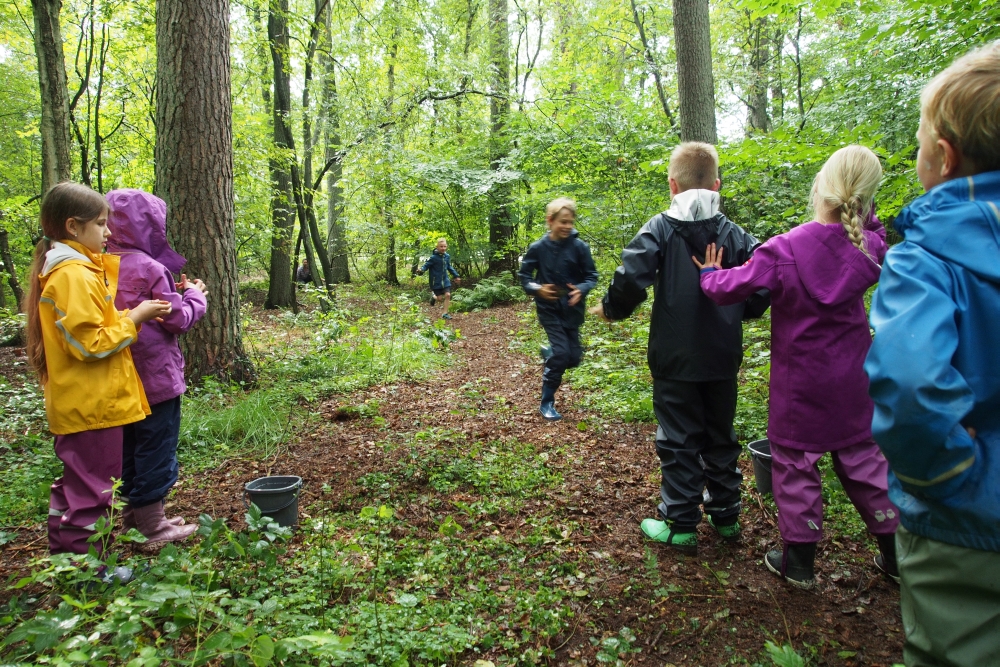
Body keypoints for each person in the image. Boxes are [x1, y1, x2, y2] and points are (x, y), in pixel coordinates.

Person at [694, 145, 899, 588]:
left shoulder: (786, 248)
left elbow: (732, 287)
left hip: (799, 383)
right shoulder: (868, 247)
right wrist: (867, 214)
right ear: (864, 199)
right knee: (864, 460)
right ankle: (897, 555)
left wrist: (710, 275)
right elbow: (876, 231)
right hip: (852, 379)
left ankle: (800, 563)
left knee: (794, 466)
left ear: (822, 186)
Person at [864, 42, 1000, 667]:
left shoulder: (927, 256)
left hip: (969, 520)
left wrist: (941, 474)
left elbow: (912, 382)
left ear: (941, 157)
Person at [591, 142, 766, 553]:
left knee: (678, 438)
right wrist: (742, 308)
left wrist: (613, 309)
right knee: (720, 435)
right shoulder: (735, 235)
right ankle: (726, 515)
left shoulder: (661, 228)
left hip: (675, 357)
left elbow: (631, 275)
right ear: (717, 184)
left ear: (673, 185)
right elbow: (763, 282)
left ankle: (680, 521)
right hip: (722, 356)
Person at [23, 182, 171, 556]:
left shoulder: (77, 269)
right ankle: (90, 570)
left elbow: (88, 326)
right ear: (73, 226)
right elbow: (91, 343)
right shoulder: (73, 274)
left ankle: (67, 560)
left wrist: (126, 316)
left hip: (85, 403)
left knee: (76, 487)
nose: (109, 233)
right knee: (95, 491)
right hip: (92, 406)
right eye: (102, 224)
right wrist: (137, 316)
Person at [106, 189, 208, 546]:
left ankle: (134, 520)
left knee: (130, 448)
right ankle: (154, 526)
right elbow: (176, 319)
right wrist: (195, 295)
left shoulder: (99, 264)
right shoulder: (151, 268)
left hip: (119, 378)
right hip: (156, 377)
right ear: (149, 225)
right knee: (156, 447)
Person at [520, 198, 598, 421]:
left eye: (570, 222)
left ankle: (549, 353)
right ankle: (547, 402)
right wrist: (537, 289)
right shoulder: (538, 248)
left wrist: (581, 289)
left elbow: (591, 275)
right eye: (562, 222)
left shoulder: (580, 247)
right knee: (562, 354)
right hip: (549, 309)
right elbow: (524, 277)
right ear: (550, 221)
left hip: (573, 309)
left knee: (573, 358)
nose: (567, 226)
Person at [416, 238, 460, 319]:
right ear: (437, 247)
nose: (443, 248)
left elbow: (449, 267)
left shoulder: (447, 256)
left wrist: (456, 275)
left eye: (444, 246)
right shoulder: (433, 258)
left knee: (448, 295)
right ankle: (434, 297)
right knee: (439, 299)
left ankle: (445, 314)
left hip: (445, 280)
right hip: (435, 281)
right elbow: (426, 265)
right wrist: (421, 270)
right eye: (441, 246)